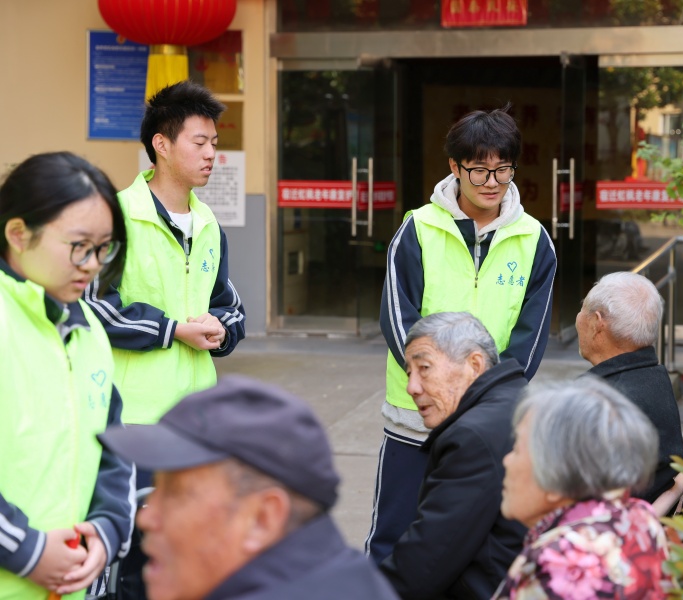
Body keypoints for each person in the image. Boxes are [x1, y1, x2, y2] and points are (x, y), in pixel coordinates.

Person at [367, 104, 557, 562]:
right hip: (415, 415)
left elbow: (530, 339)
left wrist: (485, 398)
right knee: (394, 539)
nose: (492, 182)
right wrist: (435, 383)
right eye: (479, 170)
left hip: (487, 425)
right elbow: (397, 317)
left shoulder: (534, 239)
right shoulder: (418, 229)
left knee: (475, 547)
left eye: (503, 169)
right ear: (454, 167)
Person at [97, 375, 400, 600]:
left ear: (263, 518)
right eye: (155, 490)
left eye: (176, 495)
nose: (145, 518)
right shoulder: (338, 576)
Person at [0, 152, 135, 599]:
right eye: (80, 246)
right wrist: (28, 550)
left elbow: (113, 449)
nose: (93, 264)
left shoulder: (89, 328)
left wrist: (107, 530)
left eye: (104, 247)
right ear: (18, 234)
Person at [83, 80, 245, 429]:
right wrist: (172, 330)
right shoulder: (116, 217)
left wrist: (220, 330)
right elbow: (94, 306)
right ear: (161, 145)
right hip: (133, 415)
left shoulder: (208, 224)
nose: (210, 154)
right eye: (199, 143)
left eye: (214, 143)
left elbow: (230, 307)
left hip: (199, 413)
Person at [379, 312, 527, 599]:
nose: (412, 388)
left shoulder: (473, 437)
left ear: (474, 364)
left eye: (424, 368)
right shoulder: (517, 397)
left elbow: (424, 563)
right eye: (409, 373)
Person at [493, 377, 670, 599]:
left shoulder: (559, 564)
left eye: (517, 449)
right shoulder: (639, 517)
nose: (506, 460)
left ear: (557, 475)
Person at [576, 271, 683, 502]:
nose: (577, 318)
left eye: (581, 309)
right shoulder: (655, 378)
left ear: (597, 323)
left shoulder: (594, 402)